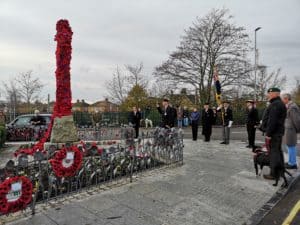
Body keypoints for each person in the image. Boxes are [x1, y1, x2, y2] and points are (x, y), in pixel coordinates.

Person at [263, 87, 287, 181]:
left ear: (275, 94)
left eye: (270, 93)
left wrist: (268, 133)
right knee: (278, 152)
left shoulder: (276, 104)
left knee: (274, 153)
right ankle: (281, 171)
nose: (268, 95)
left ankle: (274, 174)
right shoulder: (278, 103)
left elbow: (273, 121)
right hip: (277, 132)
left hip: (274, 133)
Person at [281, 93, 299, 169]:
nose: (282, 101)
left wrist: (297, 130)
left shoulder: (293, 107)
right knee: (290, 146)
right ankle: (291, 161)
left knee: (291, 146)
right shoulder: (289, 106)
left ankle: (292, 163)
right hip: (289, 129)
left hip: (291, 130)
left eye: (283, 99)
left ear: (286, 99)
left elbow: (297, 120)